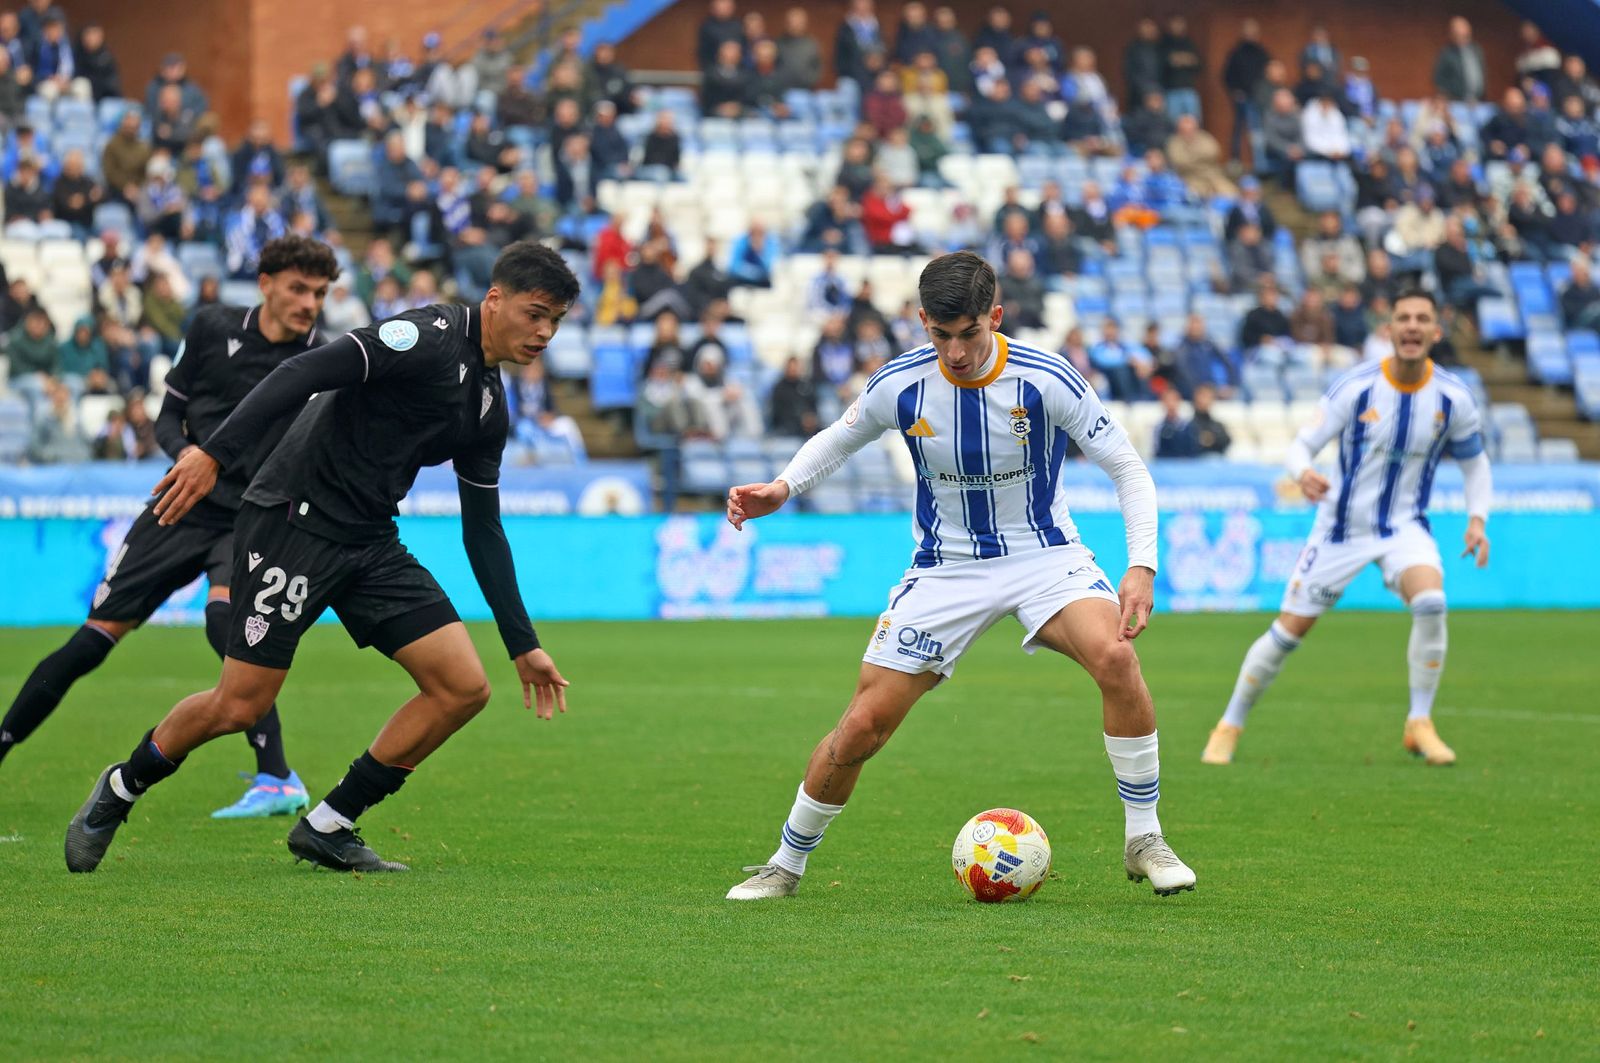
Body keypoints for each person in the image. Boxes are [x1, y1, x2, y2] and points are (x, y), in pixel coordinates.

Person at [63, 242, 581, 875]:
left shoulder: (487, 405)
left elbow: (484, 529)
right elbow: (300, 374)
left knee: (462, 688)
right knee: (240, 705)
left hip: (369, 538)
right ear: (495, 299)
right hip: (292, 520)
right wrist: (215, 453)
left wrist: (521, 642)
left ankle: (329, 823)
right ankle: (119, 789)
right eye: (535, 313)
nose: (545, 332)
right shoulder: (426, 335)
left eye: (556, 320)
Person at [722, 251, 1195, 901]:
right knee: (862, 725)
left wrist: (1141, 564)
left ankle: (1144, 838)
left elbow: (1127, 467)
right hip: (945, 568)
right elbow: (840, 436)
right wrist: (782, 486)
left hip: (1044, 556)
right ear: (922, 322)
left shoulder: (1046, 378)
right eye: (939, 335)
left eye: (969, 333)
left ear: (995, 318)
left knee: (1116, 656)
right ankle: (785, 861)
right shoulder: (901, 383)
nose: (955, 352)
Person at [1, 238, 339, 822]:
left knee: (224, 623)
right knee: (90, 642)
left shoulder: (325, 358)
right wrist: (189, 457)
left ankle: (277, 776)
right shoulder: (211, 327)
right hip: (180, 504)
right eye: (298, 288)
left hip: (252, 518)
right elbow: (165, 417)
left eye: (320, 293)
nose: (309, 302)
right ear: (264, 283)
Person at [1203, 291, 1491, 768]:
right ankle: (1228, 724)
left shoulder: (1453, 398)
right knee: (1287, 633)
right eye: (1404, 318)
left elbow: (1475, 465)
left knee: (1432, 602)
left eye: (1423, 319)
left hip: (1405, 526)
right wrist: (1302, 473)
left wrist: (1477, 518)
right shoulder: (1355, 388)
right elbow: (1301, 447)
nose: (1413, 326)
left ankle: (1420, 722)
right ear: (1390, 329)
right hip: (1341, 529)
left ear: (1436, 332)